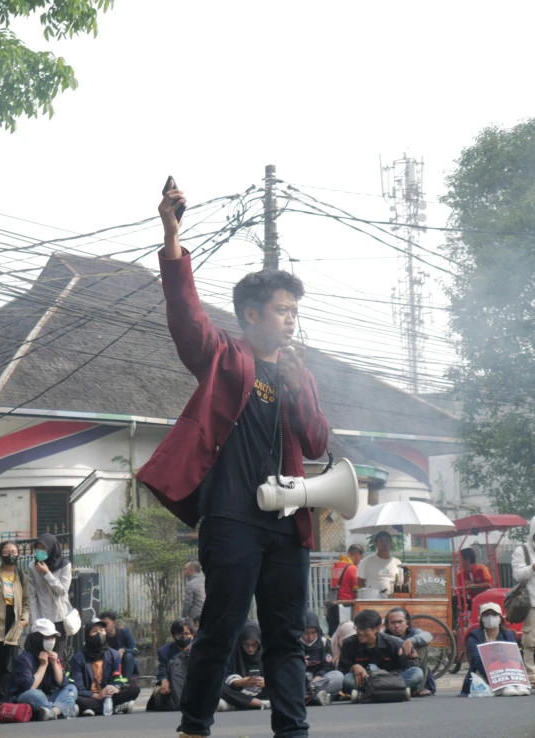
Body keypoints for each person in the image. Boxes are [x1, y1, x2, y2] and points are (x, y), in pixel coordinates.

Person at [136, 183, 329, 738]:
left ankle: (293, 731)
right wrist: (173, 239)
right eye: (282, 310)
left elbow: (316, 443)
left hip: (287, 525)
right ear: (251, 314)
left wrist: (301, 388)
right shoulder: (224, 355)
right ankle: (194, 727)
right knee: (220, 629)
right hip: (231, 520)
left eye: (295, 311)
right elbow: (185, 316)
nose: (291, 320)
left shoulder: (299, 373)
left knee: (286, 636)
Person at [0, 540, 29, 712]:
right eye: (7, 552)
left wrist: (24, 619)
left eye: (14, 552)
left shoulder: (22, 576)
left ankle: (3, 698)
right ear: (1, 555)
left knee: (7, 665)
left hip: (13, 622)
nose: (11, 555)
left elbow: (26, 602)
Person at [339, 609, 423, 701]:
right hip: (365, 682)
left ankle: (367, 694)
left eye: (366, 629)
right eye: (358, 628)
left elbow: (403, 668)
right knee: (348, 680)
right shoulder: (349, 644)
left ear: (377, 629)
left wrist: (383, 674)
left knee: (417, 673)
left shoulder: (392, 644)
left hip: (390, 680)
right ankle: (397, 692)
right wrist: (354, 667)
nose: (361, 633)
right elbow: (342, 670)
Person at [6, 618, 76, 720]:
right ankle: (60, 709)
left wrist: (54, 664)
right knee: (36, 694)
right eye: (47, 637)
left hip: (47, 697)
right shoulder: (24, 659)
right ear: (36, 638)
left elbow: (62, 683)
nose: (51, 641)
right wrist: (43, 666)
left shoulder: (51, 656)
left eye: (53, 637)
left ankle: (52, 712)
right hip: (26, 698)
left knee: (71, 689)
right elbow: (29, 687)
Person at [70, 618, 140, 716]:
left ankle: (91, 709)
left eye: (102, 631)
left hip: (108, 695)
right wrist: (96, 695)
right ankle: (115, 707)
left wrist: (116, 688)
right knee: (74, 697)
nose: (99, 634)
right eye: (95, 631)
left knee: (134, 690)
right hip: (89, 696)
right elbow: (78, 687)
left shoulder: (114, 655)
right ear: (88, 635)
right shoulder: (78, 658)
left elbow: (118, 679)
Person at [459, 602, 529, 696]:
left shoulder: (508, 635)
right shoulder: (474, 636)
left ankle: (515, 684)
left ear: (500, 619)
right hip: (483, 672)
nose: (490, 617)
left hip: (507, 671)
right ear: (481, 619)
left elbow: (515, 657)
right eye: (486, 615)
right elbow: (476, 659)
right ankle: (502, 687)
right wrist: (494, 677)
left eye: (494, 614)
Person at [28, 533, 72, 662]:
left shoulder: (64, 564)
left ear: (52, 548)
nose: (40, 552)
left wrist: (47, 573)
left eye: (44, 548)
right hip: (41, 619)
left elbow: (63, 591)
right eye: (38, 548)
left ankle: (56, 681)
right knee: (39, 656)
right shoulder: (32, 565)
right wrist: (34, 621)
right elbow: (32, 595)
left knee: (56, 657)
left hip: (58, 618)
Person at [384, 607, 436, 696]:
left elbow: (428, 636)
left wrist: (411, 641)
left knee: (422, 646)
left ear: (407, 623)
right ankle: (400, 690)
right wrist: (401, 643)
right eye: (393, 623)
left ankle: (418, 687)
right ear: (388, 625)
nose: (397, 626)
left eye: (400, 622)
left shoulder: (414, 633)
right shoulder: (383, 636)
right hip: (392, 673)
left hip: (412, 670)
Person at [219, 621, 270, 712]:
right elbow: (223, 679)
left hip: (260, 693)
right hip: (238, 693)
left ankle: (240, 705)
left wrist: (266, 682)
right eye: (246, 645)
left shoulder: (266, 654)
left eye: (254, 645)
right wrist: (239, 683)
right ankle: (259, 704)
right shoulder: (232, 655)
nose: (250, 649)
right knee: (218, 687)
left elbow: (277, 678)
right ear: (240, 642)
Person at [147, 618, 196, 712]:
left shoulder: (200, 650)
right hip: (173, 684)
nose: (183, 637)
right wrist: (164, 680)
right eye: (179, 634)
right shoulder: (164, 651)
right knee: (157, 692)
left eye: (186, 634)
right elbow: (162, 669)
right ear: (174, 636)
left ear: (192, 635)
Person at [300, 611, 343, 706]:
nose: (310, 637)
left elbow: (328, 666)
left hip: (318, 682)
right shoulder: (294, 644)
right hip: (300, 680)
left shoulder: (324, 643)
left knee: (338, 676)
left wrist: (319, 675)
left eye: (313, 633)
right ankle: (316, 698)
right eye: (306, 633)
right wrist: (300, 663)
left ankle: (311, 697)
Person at [512, 515, 535, 687]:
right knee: (530, 640)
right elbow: (517, 575)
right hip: (531, 601)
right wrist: (532, 567)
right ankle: (532, 676)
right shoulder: (523, 551)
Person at [326, 544, 364, 635]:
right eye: (360, 557)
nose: (359, 561)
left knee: (334, 633)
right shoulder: (353, 568)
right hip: (346, 605)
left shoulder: (335, 566)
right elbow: (357, 588)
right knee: (347, 632)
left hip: (333, 603)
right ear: (357, 554)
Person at [100, 611, 139, 682]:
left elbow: (135, 650)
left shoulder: (124, 632)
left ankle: (126, 682)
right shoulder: (101, 637)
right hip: (109, 664)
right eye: (102, 625)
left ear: (114, 623)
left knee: (128, 656)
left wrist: (124, 650)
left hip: (123, 664)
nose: (104, 627)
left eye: (106, 624)